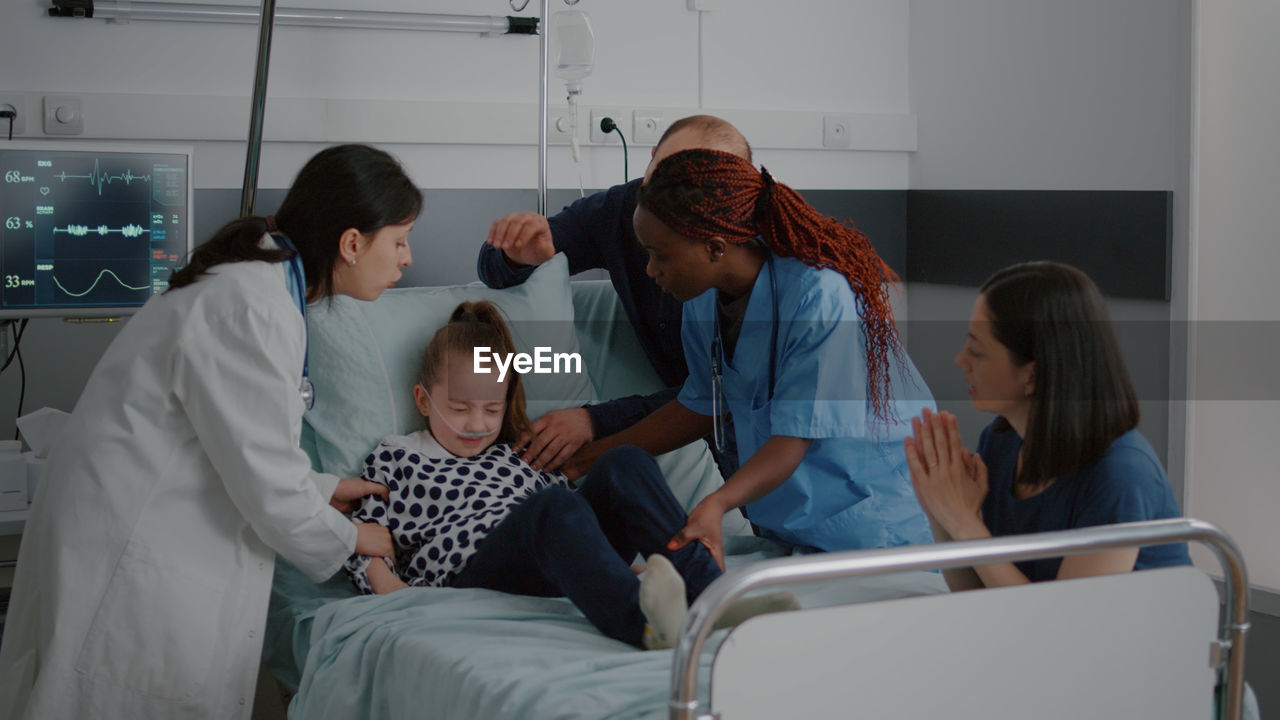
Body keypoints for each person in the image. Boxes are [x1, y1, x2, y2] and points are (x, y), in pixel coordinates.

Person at [0, 144, 419, 720]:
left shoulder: (261, 285)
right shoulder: (253, 305)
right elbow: (267, 486)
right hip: (135, 544)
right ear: (351, 243)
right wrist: (355, 539)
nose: (407, 258)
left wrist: (322, 488)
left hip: (134, 516)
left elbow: (238, 439)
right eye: (398, 240)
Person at [342, 300, 797, 649]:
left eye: (491, 409)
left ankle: (716, 596)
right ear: (424, 401)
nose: (476, 424)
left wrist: (617, 560)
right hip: (475, 566)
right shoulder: (397, 457)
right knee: (554, 506)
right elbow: (357, 538)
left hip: (550, 549)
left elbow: (576, 525)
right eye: (459, 409)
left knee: (625, 462)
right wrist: (393, 591)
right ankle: (644, 625)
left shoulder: (518, 454)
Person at [564, 148, 935, 566]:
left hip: (877, 524)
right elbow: (700, 403)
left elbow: (793, 440)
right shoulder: (702, 303)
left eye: (660, 255)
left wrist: (717, 503)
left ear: (715, 248)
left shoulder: (819, 298)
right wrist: (591, 457)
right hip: (793, 529)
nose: (650, 270)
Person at [477, 115, 752, 474]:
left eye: (699, 189)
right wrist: (516, 254)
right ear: (651, 160)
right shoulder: (619, 212)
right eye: (667, 174)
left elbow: (719, 397)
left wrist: (597, 423)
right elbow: (502, 263)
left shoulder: (760, 275)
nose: (677, 199)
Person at [904, 261, 1191, 589]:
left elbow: (1061, 627)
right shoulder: (1000, 444)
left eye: (977, 352)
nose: (961, 361)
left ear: (1033, 375)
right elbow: (977, 597)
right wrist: (940, 512)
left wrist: (966, 525)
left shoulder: (1120, 477)